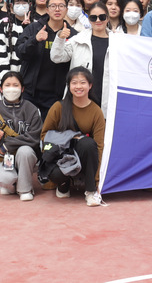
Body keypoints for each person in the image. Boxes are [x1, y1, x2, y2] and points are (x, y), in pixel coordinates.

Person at [39, 67, 106, 206]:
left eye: (83, 82)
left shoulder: (96, 111)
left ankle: (90, 191)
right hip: (61, 155)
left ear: (90, 85)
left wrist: (97, 180)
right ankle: (63, 186)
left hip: (84, 155)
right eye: (74, 83)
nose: (78, 86)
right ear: (69, 86)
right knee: (56, 174)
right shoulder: (58, 107)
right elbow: (45, 135)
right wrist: (70, 139)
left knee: (88, 144)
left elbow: (100, 146)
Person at [0, 71, 42, 201]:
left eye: (15, 85)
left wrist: (6, 145)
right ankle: (8, 183)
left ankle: (25, 189)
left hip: (24, 158)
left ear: (22, 88)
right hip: (1, 159)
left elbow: (34, 138)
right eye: (7, 85)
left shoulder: (32, 110)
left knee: (25, 151)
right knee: (7, 179)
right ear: (1, 89)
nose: (11, 89)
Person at [16, 0, 76, 119]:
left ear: (66, 10)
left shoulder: (73, 35)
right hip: (30, 92)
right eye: (53, 6)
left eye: (61, 6)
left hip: (56, 95)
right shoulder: (34, 28)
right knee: (26, 126)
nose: (57, 9)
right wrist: (35, 40)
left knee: (50, 129)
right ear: (47, 10)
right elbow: (20, 52)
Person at [51, 2, 112, 116]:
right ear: (89, 19)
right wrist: (60, 38)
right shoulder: (78, 40)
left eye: (102, 17)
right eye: (93, 17)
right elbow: (56, 57)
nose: (98, 20)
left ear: (108, 18)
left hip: (107, 99)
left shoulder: (118, 42)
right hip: (81, 97)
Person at [0, 0, 33, 94]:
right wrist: (8, 80)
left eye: (24, 3)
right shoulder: (4, 23)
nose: (21, 6)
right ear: (11, 5)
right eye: (17, 3)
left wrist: (28, 28)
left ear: (30, 5)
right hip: (4, 82)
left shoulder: (36, 25)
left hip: (28, 84)